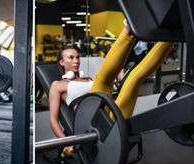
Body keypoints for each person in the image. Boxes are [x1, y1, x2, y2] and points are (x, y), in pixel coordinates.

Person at [49, 21, 173, 156]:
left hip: (111, 112)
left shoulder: (88, 79)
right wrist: (65, 143)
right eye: (71, 58)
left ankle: (170, 37)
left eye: (78, 57)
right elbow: (53, 119)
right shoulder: (58, 85)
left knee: (135, 78)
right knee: (105, 80)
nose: (77, 61)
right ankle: (128, 32)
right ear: (61, 62)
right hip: (92, 120)